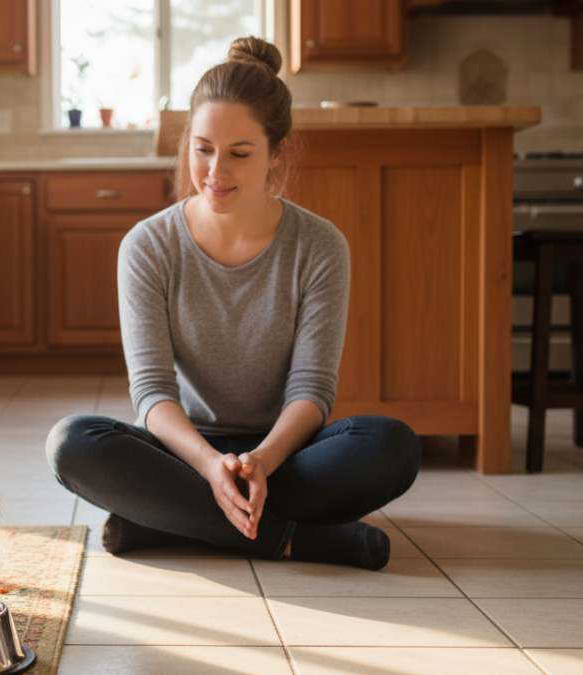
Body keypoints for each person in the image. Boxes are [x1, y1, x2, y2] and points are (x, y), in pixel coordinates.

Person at [45, 37, 421, 571]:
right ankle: (292, 539)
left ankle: (161, 519)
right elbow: (151, 392)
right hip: (185, 451)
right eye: (202, 148)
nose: (215, 171)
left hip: (285, 454)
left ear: (277, 151)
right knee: (72, 444)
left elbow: (312, 390)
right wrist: (207, 463)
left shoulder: (320, 246)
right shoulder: (148, 246)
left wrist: (262, 460)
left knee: (391, 446)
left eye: (239, 154)